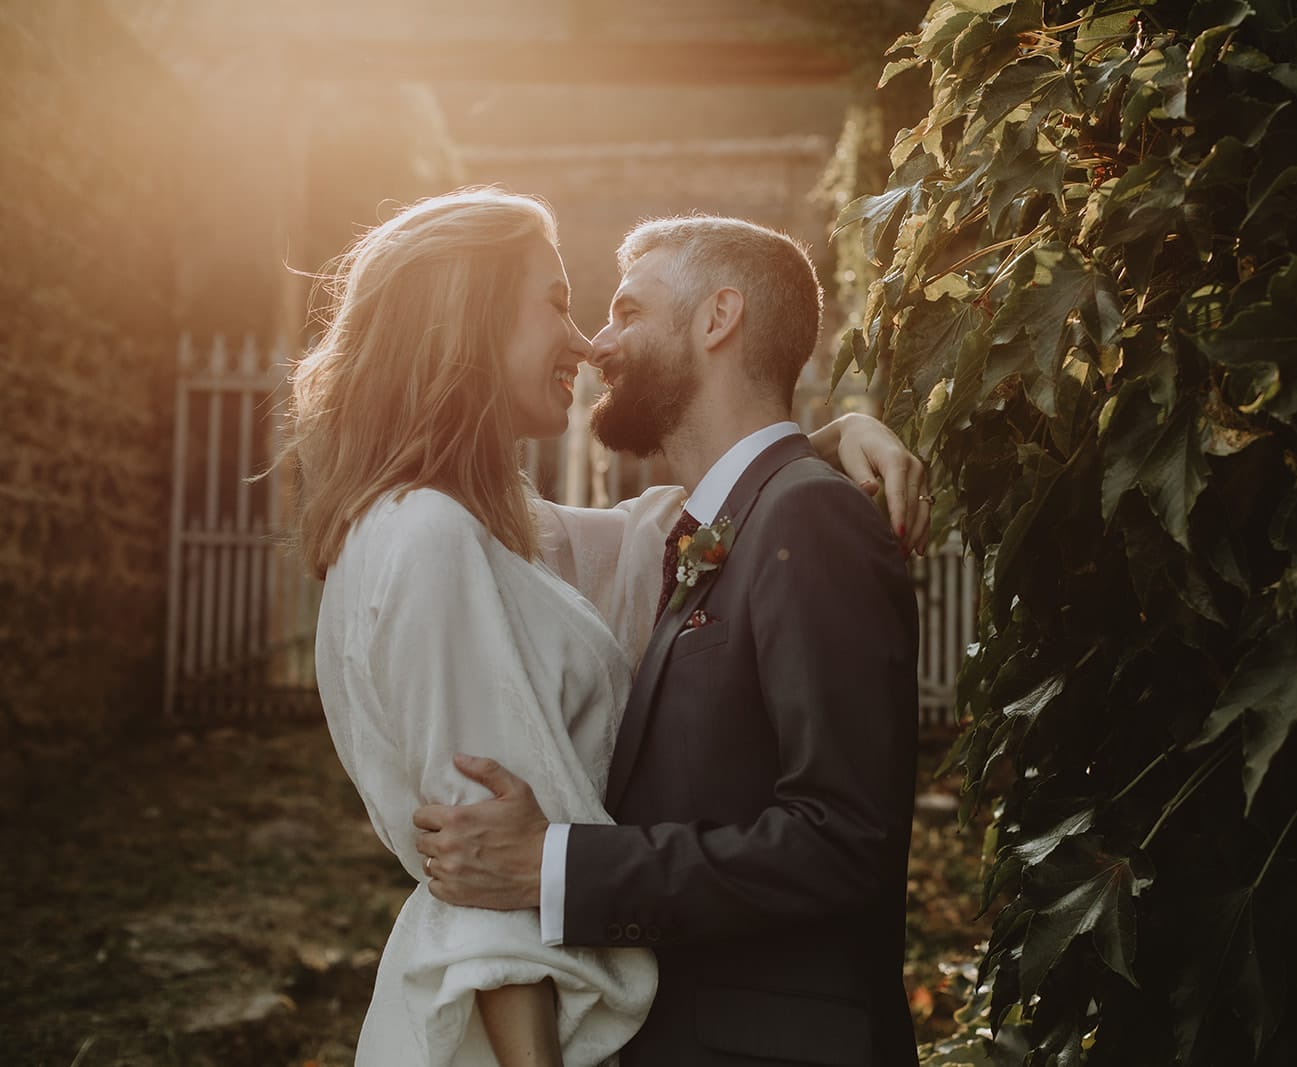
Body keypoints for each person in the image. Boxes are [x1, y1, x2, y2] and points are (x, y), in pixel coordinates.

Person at [289, 188, 929, 1066]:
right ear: (470, 319)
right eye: (558, 301)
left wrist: (815, 444)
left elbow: (664, 533)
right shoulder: (433, 535)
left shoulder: (493, 532)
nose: (591, 339)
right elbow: (485, 867)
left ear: (718, 319)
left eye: (623, 307)